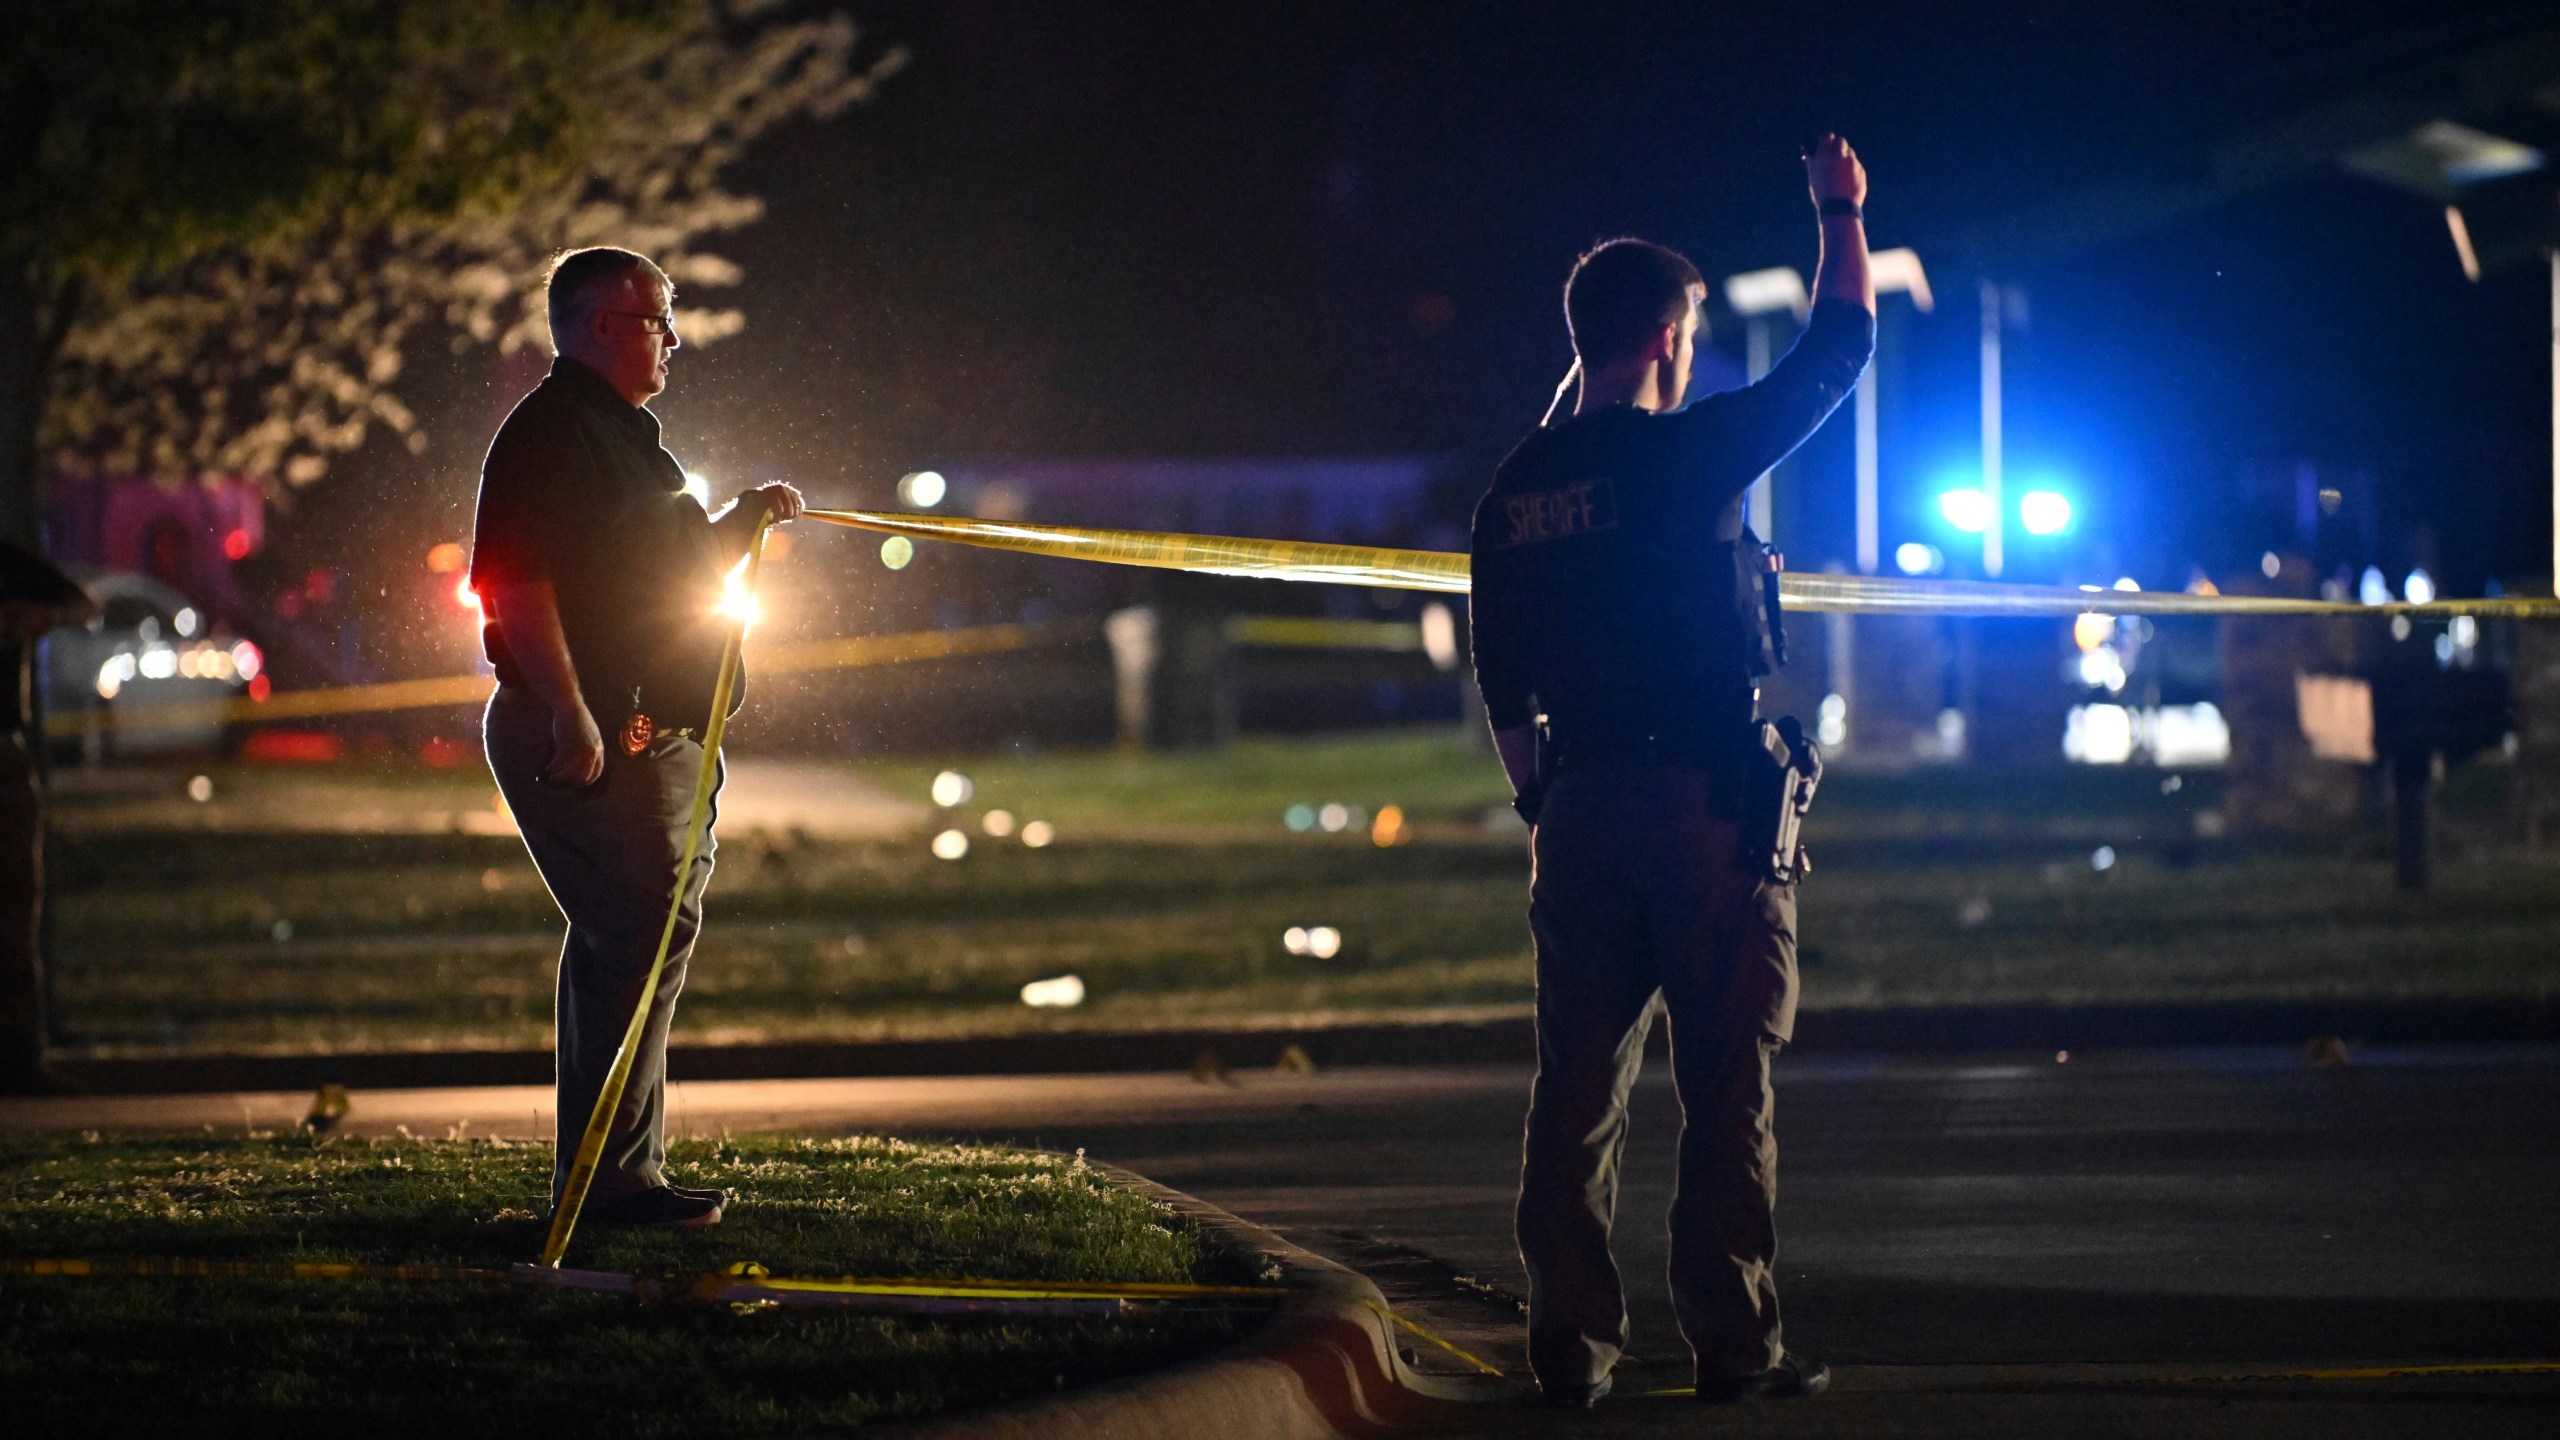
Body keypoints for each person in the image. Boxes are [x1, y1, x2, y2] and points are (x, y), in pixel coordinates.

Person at [1468, 136, 1875, 1406]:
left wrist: (1546, 802)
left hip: (1578, 812)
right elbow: (1841, 346)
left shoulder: (1519, 488)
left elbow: (1502, 683)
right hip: (1703, 807)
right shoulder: (1692, 455)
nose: (1694, 350)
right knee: (1725, 1091)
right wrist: (1837, 208)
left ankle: (1568, 1352)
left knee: (1573, 1098)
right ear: (1662, 340)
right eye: (1687, 329)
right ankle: (1734, 1345)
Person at [469, 246, 803, 1228]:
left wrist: (744, 518)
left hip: (661, 733)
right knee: (631, 942)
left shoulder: (624, 438)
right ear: (605, 323)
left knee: (645, 944)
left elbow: (664, 564)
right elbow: (515, 584)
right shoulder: (552, 433)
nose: (674, 338)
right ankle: (609, 1183)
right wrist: (572, 714)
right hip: (599, 733)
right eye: (659, 319)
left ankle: (624, 1172)